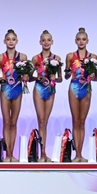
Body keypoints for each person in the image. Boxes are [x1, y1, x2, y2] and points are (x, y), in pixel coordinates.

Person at [65, 27, 97, 162]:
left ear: (87, 41)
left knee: (82, 122)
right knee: (75, 121)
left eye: (83, 39)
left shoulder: (93, 57)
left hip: (86, 89)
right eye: (79, 39)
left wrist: (93, 75)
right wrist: (68, 73)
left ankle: (81, 154)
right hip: (74, 88)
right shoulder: (70, 56)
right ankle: (76, 154)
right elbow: (66, 75)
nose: (81, 42)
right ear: (75, 41)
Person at [0, 29, 28, 162]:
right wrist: (1, 78)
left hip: (17, 89)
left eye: (13, 39)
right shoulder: (0, 58)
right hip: (5, 90)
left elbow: (27, 74)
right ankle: (7, 153)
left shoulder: (23, 57)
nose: (11, 42)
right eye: (8, 39)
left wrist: (26, 77)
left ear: (17, 41)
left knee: (13, 122)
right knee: (6, 122)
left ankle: (11, 154)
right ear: (4, 41)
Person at [31, 30, 63, 162]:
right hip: (39, 89)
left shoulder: (57, 59)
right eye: (43, 40)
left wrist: (55, 78)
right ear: (40, 42)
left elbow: (61, 78)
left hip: (50, 90)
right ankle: (41, 153)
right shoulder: (35, 58)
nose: (46, 42)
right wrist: (37, 78)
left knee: (45, 121)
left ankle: (44, 153)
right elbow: (28, 77)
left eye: (48, 40)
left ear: (52, 42)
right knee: (41, 121)